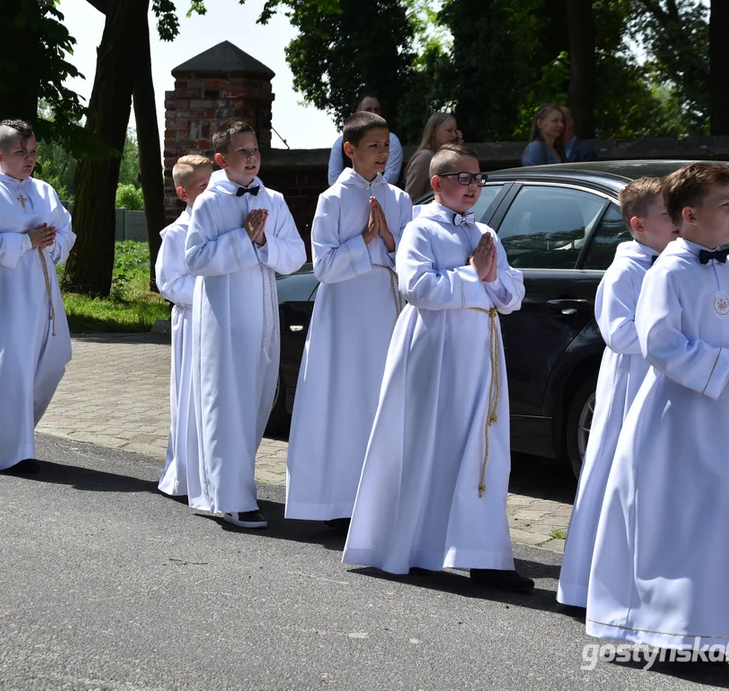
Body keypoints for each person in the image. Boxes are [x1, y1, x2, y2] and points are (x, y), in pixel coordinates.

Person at [586, 163, 729, 651]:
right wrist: (725, 362)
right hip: (675, 415)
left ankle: (712, 628)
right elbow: (658, 342)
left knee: (719, 517)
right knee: (674, 514)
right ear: (690, 215)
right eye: (726, 207)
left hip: (725, 417)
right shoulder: (666, 270)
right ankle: (658, 625)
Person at [342, 144, 533, 592]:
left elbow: (512, 294)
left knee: (482, 451)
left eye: (477, 178)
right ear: (436, 183)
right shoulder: (419, 230)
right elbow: (417, 286)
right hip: (434, 353)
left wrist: (488, 279)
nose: (473, 187)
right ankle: (417, 547)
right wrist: (474, 277)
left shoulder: (486, 231)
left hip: (480, 355)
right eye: (462, 178)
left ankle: (485, 557)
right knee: (430, 444)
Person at [284, 111, 414, 527]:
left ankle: (381, 500)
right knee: (344, 397)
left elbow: (410, 263)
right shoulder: (332, 199)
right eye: (372, 146)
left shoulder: (400, 200)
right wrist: (366, 240)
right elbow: (322, 266)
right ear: (350, 150)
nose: (381, 154)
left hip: (385, 307)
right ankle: (337, 501)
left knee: (380, 396)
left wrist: (391, 241)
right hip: (344, 312)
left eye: (386, 145)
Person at [556, 177, 677, 608]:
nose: (678, 221)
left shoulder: (671, 264)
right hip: (631, 381)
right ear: (639, 224)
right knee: (614, 471)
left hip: (662, 380)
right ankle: (593, 579)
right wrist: (668, 332)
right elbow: (618, 333)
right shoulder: (626, 270)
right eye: (667, 215)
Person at [185, 121, 307, 528]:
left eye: (255, 149)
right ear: (221, 159)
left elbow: (293, 255)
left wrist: (263, 243)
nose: (252, 157)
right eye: (242, 151)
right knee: (226, 401)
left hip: (263, 317)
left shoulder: (273, 198)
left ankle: (234, 485)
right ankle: (231, 498)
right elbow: (196, 259)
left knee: (256, 402)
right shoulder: (208, 202)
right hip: (224, 319)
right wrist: (242, 239)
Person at [0, 119, 76, 474]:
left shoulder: (43, 190)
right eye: (20, 152)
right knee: (9, 368)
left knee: (52, 360)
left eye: (33, 152)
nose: (29, 159)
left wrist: (53, 240)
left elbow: (67, 231)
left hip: (42, 294)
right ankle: (11, 452)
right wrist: (27, 241)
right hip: (6, 296)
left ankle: (14, 437)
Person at [154, 154, 214, 499]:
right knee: (190, 393)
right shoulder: (177, 234)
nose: (210, 194)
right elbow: (169, 282)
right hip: (193, 319)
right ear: (183, 193)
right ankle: (185, 474)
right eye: (202, 188)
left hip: (220, 319)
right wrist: (209, 293)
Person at [327, 94, 402, 186]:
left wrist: (370, 192)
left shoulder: (391, 140)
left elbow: (391, 177)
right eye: (368, 110)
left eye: (376, 109)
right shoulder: (340, 142)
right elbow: (333, 179)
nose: (373, 113)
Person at [403, 113, 461, 201]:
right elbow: (410, 198)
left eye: (455, 131)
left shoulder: (446, 158)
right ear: (434, 131)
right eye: (449, 130)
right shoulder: (426, 157)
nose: (454, 135)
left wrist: (458, 149)